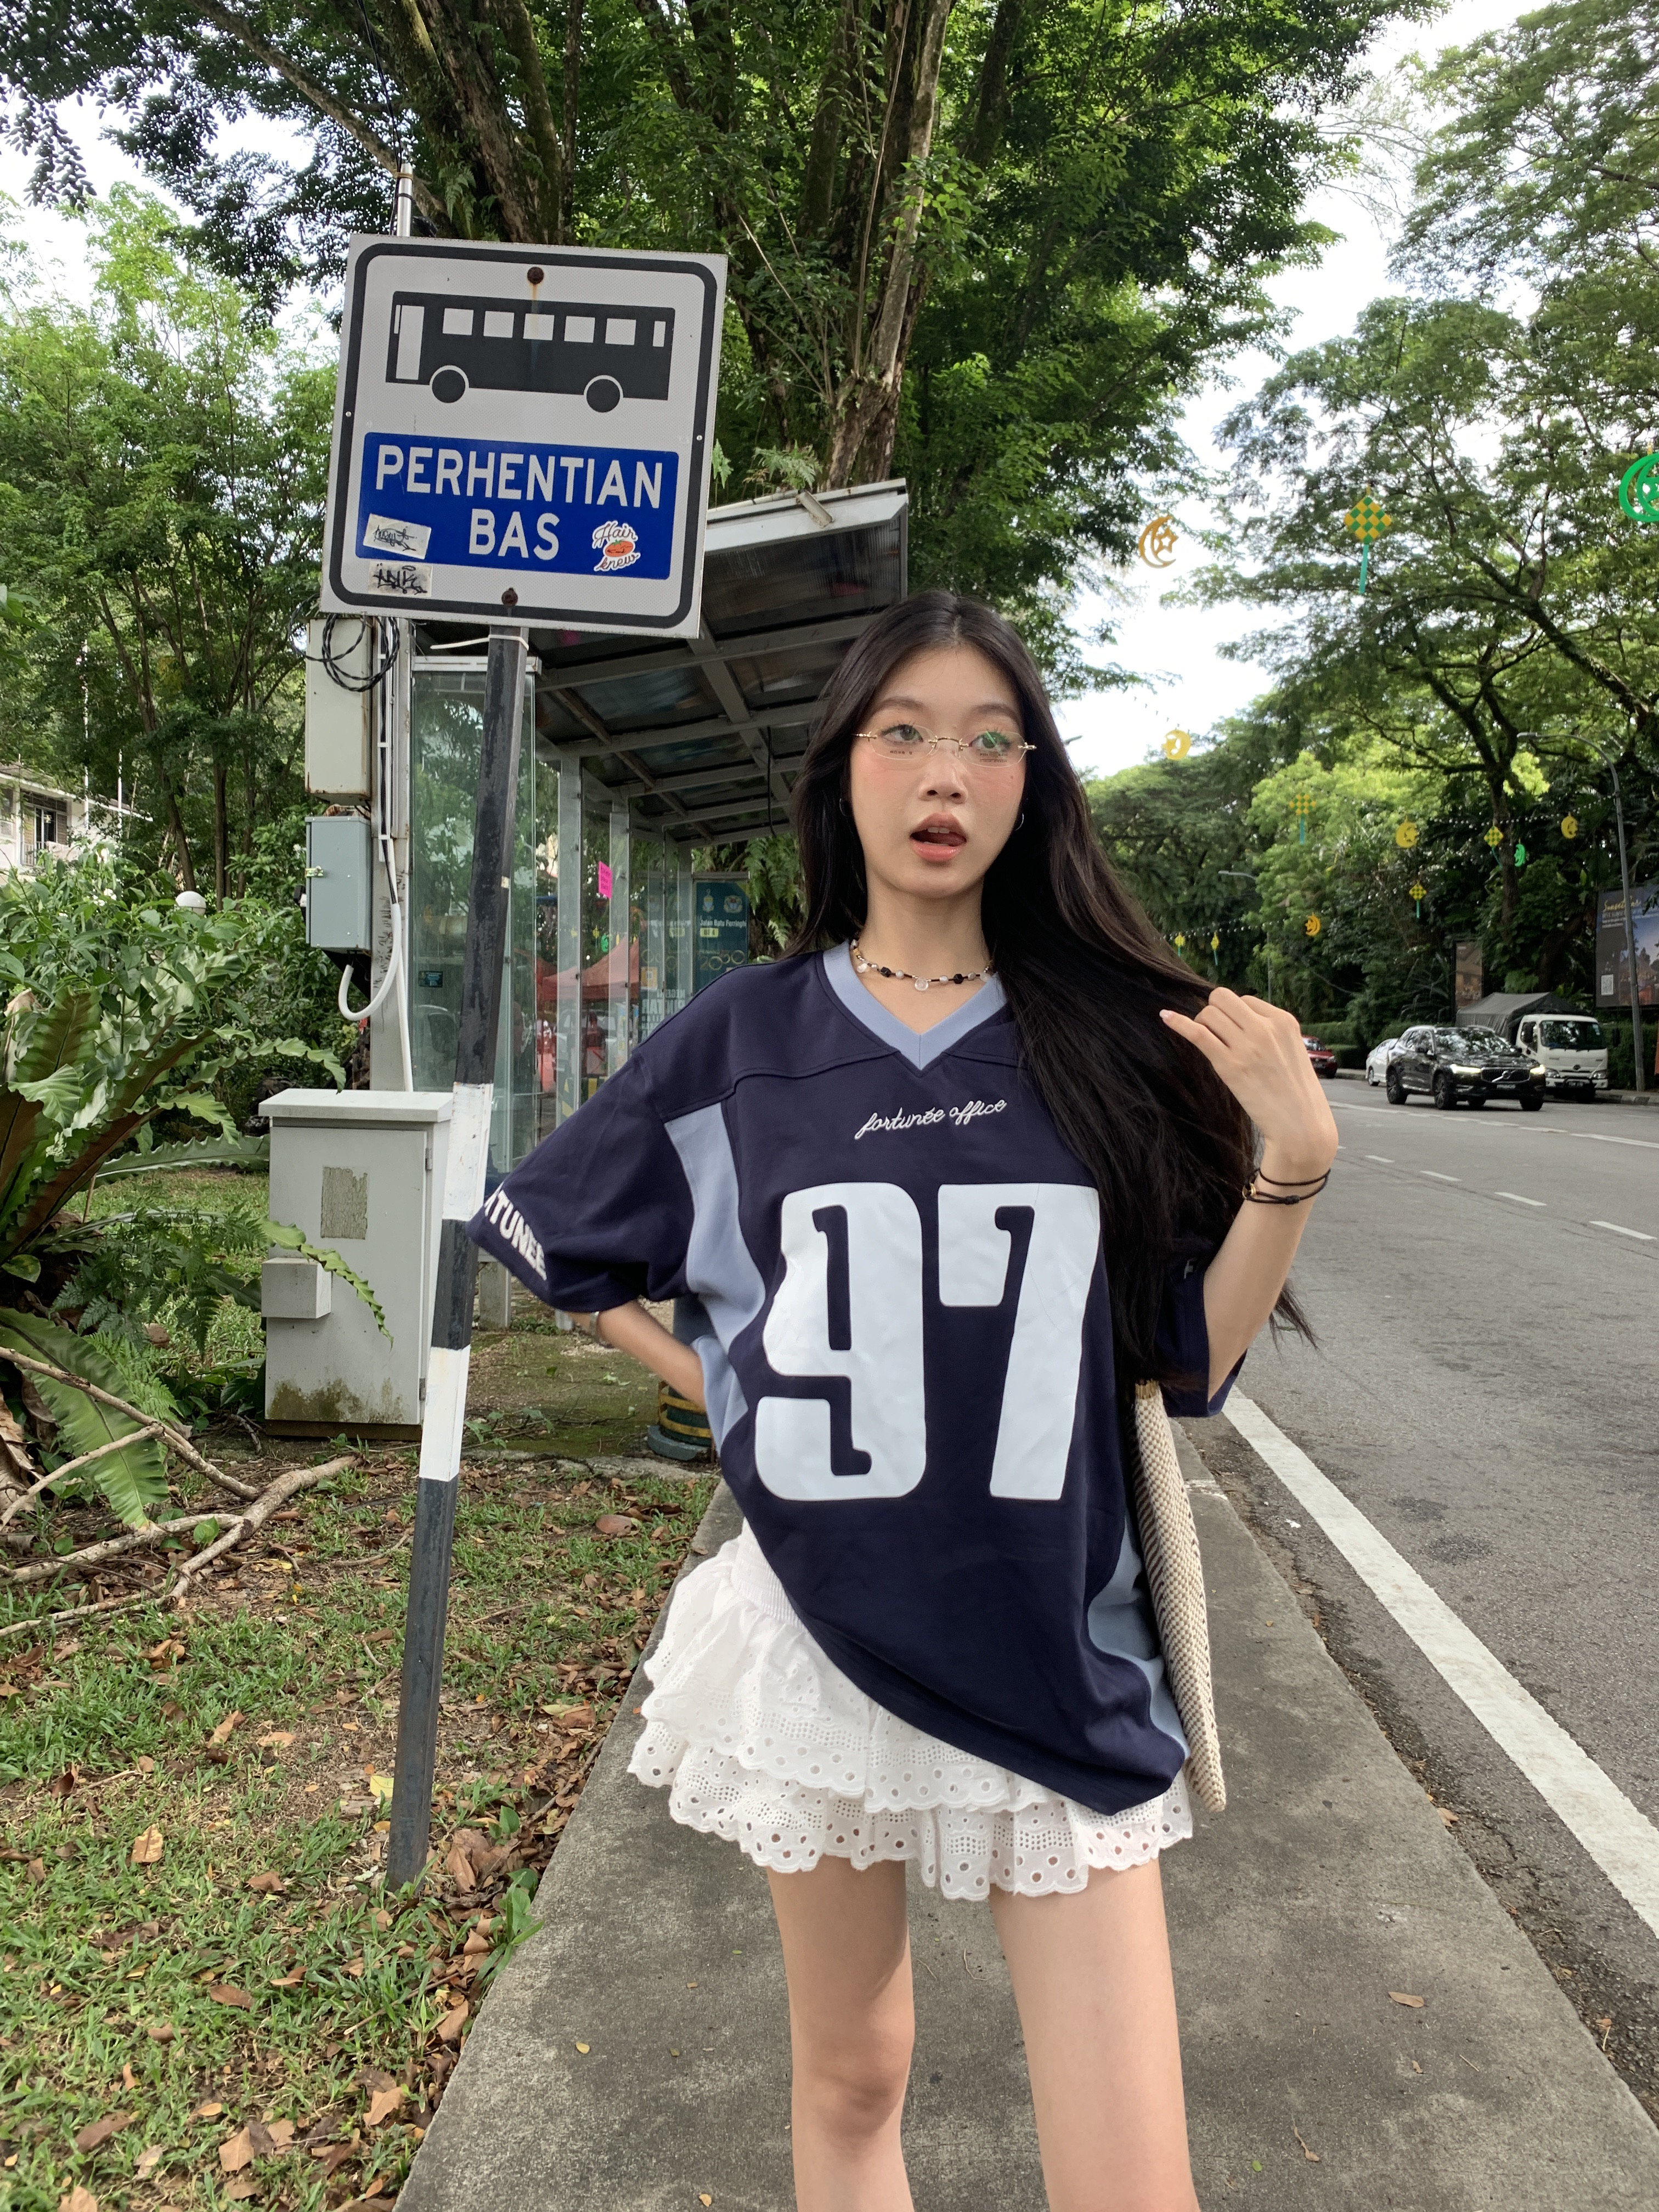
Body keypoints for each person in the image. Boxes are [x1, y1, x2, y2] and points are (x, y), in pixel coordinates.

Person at [470, 591, 1338, 2212]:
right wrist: (724, 1385)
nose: (949, 772)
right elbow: (557, 1247)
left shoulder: (1106, 1046)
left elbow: (1185, 1363)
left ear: (1031, 790)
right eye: (908, 733)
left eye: (991, 740)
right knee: (854, 2078)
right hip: (825, 1628)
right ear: (845, 775)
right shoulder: (744, 1040)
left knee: (1136, 2179)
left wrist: (1291, 1168)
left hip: (1056, 1649)